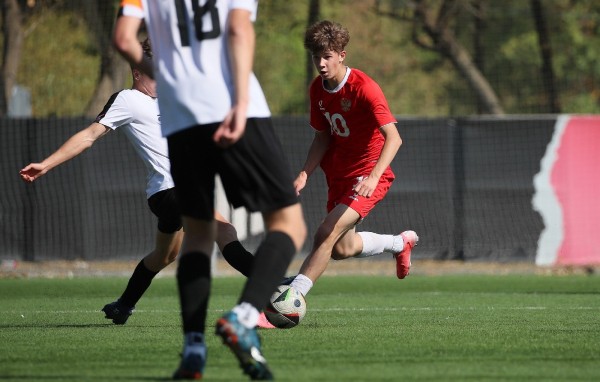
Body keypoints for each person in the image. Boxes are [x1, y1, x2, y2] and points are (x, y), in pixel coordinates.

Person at [113, 1, 306, 380]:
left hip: (180, 115)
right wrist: (240, 100)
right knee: (289, 224)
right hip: (235, 105)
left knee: (198, 235)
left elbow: (123, 38)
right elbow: (237, 29)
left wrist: (167, 79)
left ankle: (194, 349)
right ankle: (245, 317)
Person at [19, 38, 256, 326]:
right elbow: (89, 136)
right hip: (170, 191)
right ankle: (274, 286)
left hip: (174, 193)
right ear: (137, 71)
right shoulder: (128, 100)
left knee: (165, 255)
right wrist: (46, 163)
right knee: (224, 231)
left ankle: (123, 306)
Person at [286, 20, 418, 299]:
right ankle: (398, 243)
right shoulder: (317, 89)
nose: (321, 63)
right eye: (315, 57)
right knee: (341, 249)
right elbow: (322, 137)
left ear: (341, 55)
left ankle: (294, 295)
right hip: (338, 176)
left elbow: (394, 137)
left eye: (327, 57)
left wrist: (373, 177)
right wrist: (305, 172)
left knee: (326, 230)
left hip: (367, 175)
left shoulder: (365, 88)